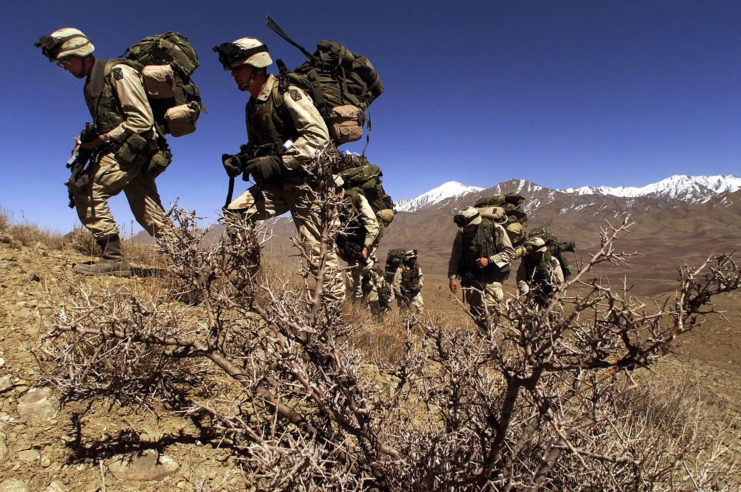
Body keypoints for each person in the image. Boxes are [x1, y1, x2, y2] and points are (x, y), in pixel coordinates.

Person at [213, 37, 344, 301]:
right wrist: (242, 159)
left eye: (238, 68)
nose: (233, 74)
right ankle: (247, 290)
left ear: (256, 66)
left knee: (318, 254)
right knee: (236, 215)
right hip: (278, 186)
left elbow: (319, 139)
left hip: (310, 186)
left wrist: (280, 162)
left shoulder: (287, 92)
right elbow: (263, 147)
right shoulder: (252, 106)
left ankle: (331, 318)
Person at [35, 28, 172, 277]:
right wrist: (91, 139)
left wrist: (104, 138)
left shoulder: (118, 73)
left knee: (87, 190)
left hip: (134, 150)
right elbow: (113, 119)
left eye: (66, 60)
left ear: (81, 53)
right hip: (129, 150)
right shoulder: (92, 83)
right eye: (60, 63)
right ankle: (192, 260)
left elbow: (142, 120)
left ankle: (112, 257)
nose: (64, 67)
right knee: (148, 213)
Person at [448, 206, 515, 327]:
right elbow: (455, 256)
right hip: (472, 277)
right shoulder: (462, 233)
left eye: (468, 227)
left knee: (490, 309)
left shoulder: (494, 229)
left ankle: (493, 338)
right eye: (464, 227)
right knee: (476, 311)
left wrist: (489, 260)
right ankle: (483, 337)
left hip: (492, 276)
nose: (466, 229)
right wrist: (452, 277)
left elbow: (510, 253)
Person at [335, 186, 382, 310]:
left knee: (362, 279)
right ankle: (359, 311)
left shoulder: (356, 199)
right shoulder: (331, 202)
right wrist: (336, 247)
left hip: (363, 246)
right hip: (349, 247)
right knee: (355, 281)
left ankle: (361, 313)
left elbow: (373, 225)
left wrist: (366, 246)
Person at [516, 236, 564, 306]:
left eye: (536, 253)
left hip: (550, 296)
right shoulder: (526, 262)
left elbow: (560, 282)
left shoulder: (552, 261)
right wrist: (528, 293)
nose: (533, 255)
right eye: (531, 252)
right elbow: (520, 279)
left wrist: (553, 295)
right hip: (531, 295)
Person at [392, 249, 424, 314]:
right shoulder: (401, 269)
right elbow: (396, 283)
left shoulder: (417, 267)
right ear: (408, 259)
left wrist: (419, 285)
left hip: (415, 291)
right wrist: (400, 295)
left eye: (415, 258)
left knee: (420, 306)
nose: (414, 260)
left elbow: (421, 277)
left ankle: (418, 321)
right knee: (404, 310)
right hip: (404, 293)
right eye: (412, 259)